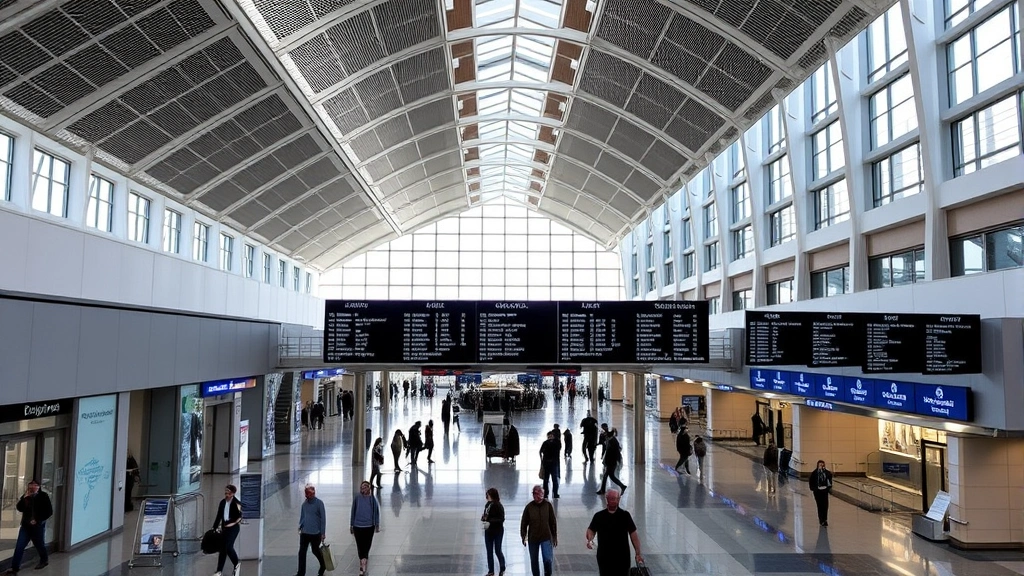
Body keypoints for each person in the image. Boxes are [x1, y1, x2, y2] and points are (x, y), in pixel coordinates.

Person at [585, 489, 643, 576]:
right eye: (610, 498)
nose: (613, 501)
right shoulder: (599, 516)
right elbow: (591, 530)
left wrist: (638, 553)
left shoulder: (625, 515)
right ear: (606, 499)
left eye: (615, 498)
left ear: (619, 499)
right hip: (604, 557)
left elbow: (633, 535)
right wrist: (590, 539)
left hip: (622, 557)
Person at [4, 480, 52, 574]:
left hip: (37, 526)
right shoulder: (26, 496)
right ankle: (15, 567)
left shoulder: (43, 496)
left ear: (38, 487)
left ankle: (44, 560)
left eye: (35, 485)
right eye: (31, 485)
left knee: (39, 544)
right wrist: (24, 498)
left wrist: (37, 520)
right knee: (20, 546)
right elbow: (19, 508)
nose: (33, 487)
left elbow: (49, 512)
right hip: (26, 526)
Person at [520, 485, 557, 576]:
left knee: (547, 559)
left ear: (542, 494)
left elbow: (552, 522)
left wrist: (554, 536)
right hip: (533, 538)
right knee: (534, 560)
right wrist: (523, 536)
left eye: (538, 493)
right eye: (534, 493)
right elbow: (524, 522)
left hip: (546, 537)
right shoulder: (529, 507)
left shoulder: (548, 506)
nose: (535, 495)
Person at [350, 481, 381, 576]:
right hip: (357, 526)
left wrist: (377, 524)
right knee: (360, 546)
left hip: (369, 526)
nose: (362, 489)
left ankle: (364, 562)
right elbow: (353, 511)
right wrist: (351, 524)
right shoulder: (357, 498)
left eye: (365, 487)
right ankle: (362, 564)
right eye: (361, 487)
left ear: (368, 488)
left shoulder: (372, 499)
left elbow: (376, 512)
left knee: (367, 546)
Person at [296, 483, 327, 576]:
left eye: (310, 493)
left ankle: (323, 564)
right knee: (302, 553)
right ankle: (301, 573)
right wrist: (300, 526)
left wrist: (322, 533)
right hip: (305, 533)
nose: (308, 495)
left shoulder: (319, 503)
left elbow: (323, 519)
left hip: (315, 533)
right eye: (307, 493)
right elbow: (303, 517)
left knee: (315, 550)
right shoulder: (304, 504)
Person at [212, 484, 242, 576]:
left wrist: (232, 523)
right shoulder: (222, 502)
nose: (226, 494)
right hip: (224, 528)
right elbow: (219, 516)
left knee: (228, 547)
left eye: (228, 492)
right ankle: (219, 570)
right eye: (225, 492)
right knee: (223, 548)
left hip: (233, 528)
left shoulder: (236, 503)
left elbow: (239, 516)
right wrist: (214, 527)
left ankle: (236, 564)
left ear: (233, 493)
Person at [482, 487, 506, 576]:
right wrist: (484, 518)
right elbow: (486, 515)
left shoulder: (498, 506)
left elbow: (501, 519)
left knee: (497, 550)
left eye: (488, 495)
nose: (487, 497)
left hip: (497, 531)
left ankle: (502, 566)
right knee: (489, 551)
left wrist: (490, 521)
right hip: (488, 531)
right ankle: (491, 571)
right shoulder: (487, 505)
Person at [597, 428, 626, 495]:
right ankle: (602, 490)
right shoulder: (612, 440)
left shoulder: (612, 442)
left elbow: (611, 453)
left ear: (608, 436)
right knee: (606, 476)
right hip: (611, 462)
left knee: (611, 476)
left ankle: (622, 486)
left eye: (606, 436)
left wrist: (607, 462)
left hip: (611, 462)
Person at [809, 460, 834, 526]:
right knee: (820, 506)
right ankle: (821, 519)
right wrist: (814, 489)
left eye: (822, 465)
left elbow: (830, 478)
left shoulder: (826, 473)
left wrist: (828, 488)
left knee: (825, 505)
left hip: (824, 491)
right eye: (820, 465)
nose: (821, 466)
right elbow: (811, 481)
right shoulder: (814, 473)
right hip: (817, 491)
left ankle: (825, 519)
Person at [539, 431, 560, 499]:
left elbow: (541, 451)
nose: (550, 437)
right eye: (549, 436)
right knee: (547, 479)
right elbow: (541, 451)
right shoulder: (547, 443)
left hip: (550, 463)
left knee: (551, 479)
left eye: (551, 436)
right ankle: (549, 493)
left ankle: (552, 493)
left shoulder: (554, 443)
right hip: (550, 464)